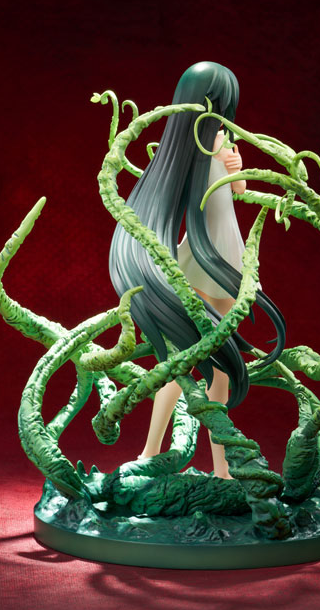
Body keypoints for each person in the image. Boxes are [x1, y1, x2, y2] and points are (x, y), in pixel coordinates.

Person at [109, 61, 285, 477]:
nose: (221, 112)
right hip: (202, 258)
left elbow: (236, 193)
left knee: (220, 367)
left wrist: (236, 170)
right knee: (182, 361)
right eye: (217, 102)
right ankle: (150, 450)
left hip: (228, 254)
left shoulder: (222, 138)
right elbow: (188, 192)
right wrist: (217, 161)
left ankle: (222, 468)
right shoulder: (187, 145)